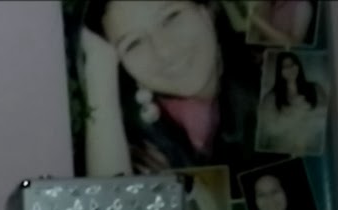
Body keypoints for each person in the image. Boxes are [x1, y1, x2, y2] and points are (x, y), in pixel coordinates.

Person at [78, 0, 263, 177]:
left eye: (170, 18)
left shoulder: (269, 70)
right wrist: (99, 69)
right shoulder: (140, 146)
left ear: (206, 10)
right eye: (134, 43)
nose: (164, 51)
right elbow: (109, 196)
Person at [256, 51, 329, 156]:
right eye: (285, 67)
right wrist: (295, 111)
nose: (290, 69)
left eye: (292, 65)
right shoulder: (270, 98)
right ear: (280, 71)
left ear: (298, 66)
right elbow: (270, 129)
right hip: (282, 152)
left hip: (311, 150)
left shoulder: (316, 88)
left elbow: (325, 118)